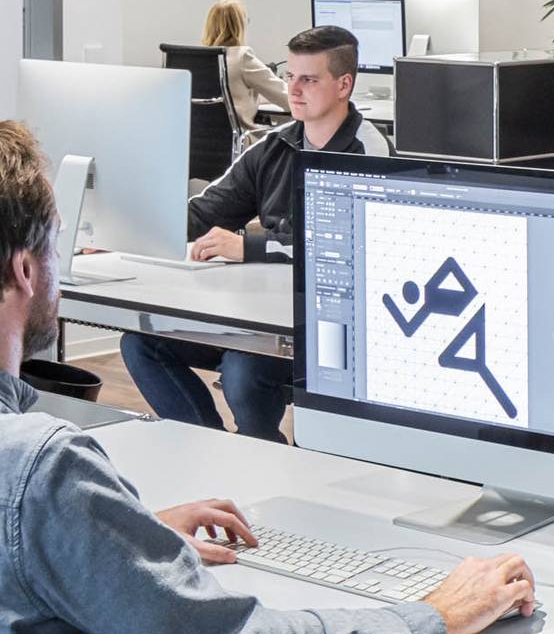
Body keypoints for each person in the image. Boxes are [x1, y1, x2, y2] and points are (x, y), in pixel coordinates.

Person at [0, 122, 535, 634]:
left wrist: (118, 535)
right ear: (23, 270)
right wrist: (434, 613)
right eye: (55, 248)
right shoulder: (40, 471)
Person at [122, 25, 388, 441]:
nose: (293, 90)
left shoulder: (368, 151)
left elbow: (347, 245)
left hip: (328, 327)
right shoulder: (273, 146)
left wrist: (249, 246)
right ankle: (212, 446)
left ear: (344, 85)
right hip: (261, 315)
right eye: (290, 77)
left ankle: (264, 452)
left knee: (243, 371)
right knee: (142, 343)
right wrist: (123, 233)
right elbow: (205, 211)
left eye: (309, 80)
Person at [201, 0, 288, 143]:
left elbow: (231, 97)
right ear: (239, 26)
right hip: (242, 144)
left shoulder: (199, 58)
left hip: (200, 145)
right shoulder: (242, 56)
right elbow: (287, 98)